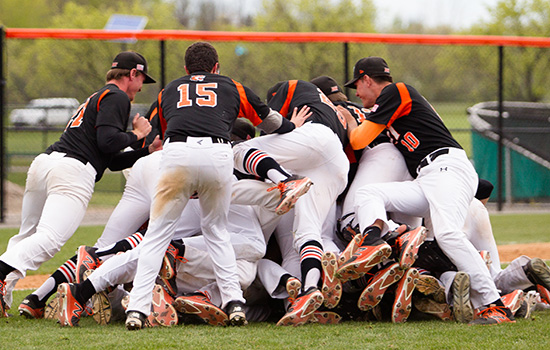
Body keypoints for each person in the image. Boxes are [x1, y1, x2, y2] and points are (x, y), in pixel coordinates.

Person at [120, 42, 305, 330]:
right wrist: (291, 128)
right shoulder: (231, 85)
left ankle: (137, 309)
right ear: (216, 67)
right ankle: (234, 303)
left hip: (178, 153)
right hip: (219, 153)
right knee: (217, 231)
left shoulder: (170, 89)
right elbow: (269, 121)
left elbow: (158, 136)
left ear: (185, 69)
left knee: (156, 235)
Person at [335, 56, 515, 325]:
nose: (357, 93)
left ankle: (494, 305)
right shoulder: (391, 105)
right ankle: (375, 240)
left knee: (448, 235)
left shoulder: (397, 91)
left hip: (445, 166)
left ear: (367, 79)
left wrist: (349, 120)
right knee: (369, 194)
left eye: (357, 86)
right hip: (428, 176)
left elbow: (360, 138)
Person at [0, 51, 160, 316]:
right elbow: (108, 142)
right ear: (132, 74)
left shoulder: (98, 96)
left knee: (27, 235)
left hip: (46, 163)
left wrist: (144, 149)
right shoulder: (118, 96)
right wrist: (137, 134)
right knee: (50, 239)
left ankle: (3, 295)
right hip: (72, 171)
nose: (142, 86)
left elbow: (109, 160)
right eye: (142, 78)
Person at [232, 79, 350, 325]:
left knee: (239, 150)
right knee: (306, 231)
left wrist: (290, 125)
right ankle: (309, 290)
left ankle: (286, 181)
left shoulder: (292, 86)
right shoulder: (334, 109)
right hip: (337, 164)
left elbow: (272, 124)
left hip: (314, 140)